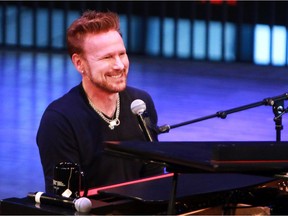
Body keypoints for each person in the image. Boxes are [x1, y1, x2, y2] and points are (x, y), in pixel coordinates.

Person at [36, 10, 164, 194]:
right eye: (107, 57)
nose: (119, 65)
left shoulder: (140, 103)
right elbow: (63, 197)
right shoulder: (59, 119)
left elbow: (155, 177)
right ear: (80, 64)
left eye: (122, 54)